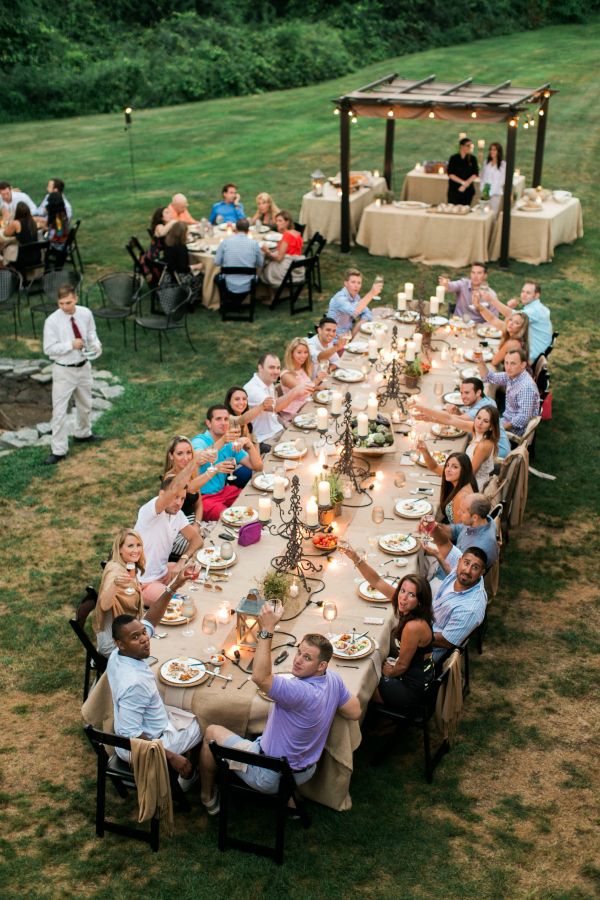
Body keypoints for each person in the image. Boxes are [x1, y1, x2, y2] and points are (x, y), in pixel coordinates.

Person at [199, 602, 361, 814]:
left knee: (212, 731)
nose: (298, 661)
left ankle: (206, 797)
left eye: (307, 658)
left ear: (322, 665)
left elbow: (259, 677)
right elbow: (355, 711)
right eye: (299, 652)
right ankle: (290, 799)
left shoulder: (297, 691)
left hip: (271, 774)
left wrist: (267, 629)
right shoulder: (332, 679)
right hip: (305, 771)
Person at [106, 567, 202, 786]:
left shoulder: (117, 654)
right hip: (147, 745)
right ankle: (187, 777)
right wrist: (171, 756)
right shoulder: (135, 684)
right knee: (202, 720)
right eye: (135, 637)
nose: (144, 639)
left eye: (142, 634)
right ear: (121, 643)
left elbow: (150, 620)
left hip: (151, 723)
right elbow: (129, 734)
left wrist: (174, 586)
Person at [337, 561, 435, 712]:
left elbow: (401, 666)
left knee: (363, 688)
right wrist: (355, 558)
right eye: (402, 591)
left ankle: (385, 724)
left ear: (420, 601)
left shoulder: (413, 626)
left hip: (414, 687)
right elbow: (376, 581)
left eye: (411, 595)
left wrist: (389, 672)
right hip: (418, 672)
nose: (403, 598)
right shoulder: (412, 609)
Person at [42, 285, 102, 465]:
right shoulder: (52, 321)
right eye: (61, 303)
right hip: (64, 370)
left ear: (75, 298)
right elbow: (49, 349)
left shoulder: (85, 313)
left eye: (68, 302)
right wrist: (70, 345)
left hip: (83, 366)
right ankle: (59, 450)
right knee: (60, 411)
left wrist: (96, 345)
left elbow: (91, 334)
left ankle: (83, 433)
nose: (65, 306)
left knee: (85, 404)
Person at [134, 454, 206, 604]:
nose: (179, 503)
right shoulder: (150, 510)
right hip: (144, 583)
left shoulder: (177, 514)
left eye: (182, 499)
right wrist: (193, 464)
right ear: (162, 495)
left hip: (164, 573)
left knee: (197, 580)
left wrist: (182, 561)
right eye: (175, 497)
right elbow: (173, 489)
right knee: (181, 603)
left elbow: (197, 540)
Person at [191, 404, 263, 520]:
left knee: (254, 501)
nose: (223, 423)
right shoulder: (199, 441)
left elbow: (258, 466)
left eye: (226, 419)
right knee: (233, 518)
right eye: (218, 419)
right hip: (204, 497)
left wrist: (248, 444)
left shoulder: (229, 444)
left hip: (223, 491)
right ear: (208, 423)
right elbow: (202, 457)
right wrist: (223, 440)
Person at [414, 403, 500, 490]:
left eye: (485, 421)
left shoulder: (483, 446)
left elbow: (469, 475)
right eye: (478, 418)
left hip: (473, 488)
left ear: (491, 427)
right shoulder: (478, 429)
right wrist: (430, 417)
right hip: (464, 476)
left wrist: (443, 472)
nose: (480, 423)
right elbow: (450, 419)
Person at [419, 494, 499, 584]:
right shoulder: (480, 522)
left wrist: (438, 555)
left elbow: (460, 579)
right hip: (444, 564)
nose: (458, 513)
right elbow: (454, 531)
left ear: (475, 517)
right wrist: (434, 525)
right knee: (417, 561)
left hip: (449, 580)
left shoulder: (481, 547)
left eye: (463, 511)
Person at [94, 528, 146, 657]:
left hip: (127, 633)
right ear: (119, 549)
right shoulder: (114, 571)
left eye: (138, 545)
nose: (136, 550)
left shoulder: (129, 565)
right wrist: (114, 584)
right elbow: (104, 605)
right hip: (114, 643)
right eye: (130, 546)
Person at [430, 547, 488, 657]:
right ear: (459, 561)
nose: (467, 570)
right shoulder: (458, 573)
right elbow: (445, 545)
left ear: (482, 572)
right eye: (466, 563)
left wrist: (413, 635)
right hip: (426, 619)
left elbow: (445, 642)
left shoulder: (470, 609)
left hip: (427, 651)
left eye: (475, 567)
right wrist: (437, 555)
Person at [243, 353, 308, 448]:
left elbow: (272, 414)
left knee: (308, 440)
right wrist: (295, 390)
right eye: (272, 367)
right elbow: (276, 406)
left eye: (278, 368)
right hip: (264, 440)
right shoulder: (252, 389)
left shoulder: (269, 383)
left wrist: (285, 423)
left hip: (278, 431)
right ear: (260, 368)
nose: (276, 371)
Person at [482, 281, 553, 364]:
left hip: (530, 357)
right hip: (536, 352)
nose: (524, 295)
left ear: (536, 295)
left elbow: (510, 315)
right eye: (523, 291)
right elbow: (508, 324)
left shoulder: (534, 311)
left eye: (528, 293)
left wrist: (491, 300)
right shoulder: (538, 307)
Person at [162, 435, 209, 558]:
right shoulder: (170, 479)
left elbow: (199, 504)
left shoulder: (192, 473)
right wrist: (212, 472)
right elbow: (190, 487)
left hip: (194, 525)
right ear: (171, 456)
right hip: (177, 532)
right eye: (180, 453)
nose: (186, 458)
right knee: (206, 550)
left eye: (189, 453)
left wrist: (197, 524)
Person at [476, 348, 540, 437]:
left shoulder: (526, 387)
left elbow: (523, 418)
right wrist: (480, 361)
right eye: (506, 363)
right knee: (476, 419)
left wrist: (498, 429)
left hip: (515, 432)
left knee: (477, 427)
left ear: (523, 365)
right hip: (506, 419)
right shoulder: (512, 376)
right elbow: (489, 378)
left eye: (513, 363)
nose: (508, 367)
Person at [444, 376, 510, 458]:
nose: (463, 396)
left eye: (467, 393)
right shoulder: (486, 400)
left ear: (478, 392)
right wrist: (457, 411)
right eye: (461, 393)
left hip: (497, 454)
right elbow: (466, 418)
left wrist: (433, 415)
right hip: (503, 447)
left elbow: (452, 420)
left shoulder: (482, 410)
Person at [416, 448, 477, 524]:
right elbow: (435, 467)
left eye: (455, 467)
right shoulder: (466, 481)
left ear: (464, 470)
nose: (448, 469)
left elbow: (457, 531)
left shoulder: (462, 496)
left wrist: (434, 527)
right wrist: (424, 451)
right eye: (447, 465)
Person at [471, 295, 530, 368]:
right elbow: (492, 319)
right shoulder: (515, 335)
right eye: (511, 320)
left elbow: (494, 362)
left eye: (516, 323)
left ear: (521, 328)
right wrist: (478, 306)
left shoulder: (513, 343)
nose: (511, 323)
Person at [279, 337, 324, 425]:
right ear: (291, 353)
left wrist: (319, 387)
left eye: (305, 352)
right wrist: (318, 380)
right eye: (299, 352)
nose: (303, 356)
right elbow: (303, 390)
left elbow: (309, 387)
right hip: (294, 413)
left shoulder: (301, 369)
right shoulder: (286, 375)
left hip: (306, 405)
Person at [327, 268, 383, 337]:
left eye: (359, 283)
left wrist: (360, 323)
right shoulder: (340, 298)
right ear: (346, 283)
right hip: (333, 339)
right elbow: (354, 311)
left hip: (348, 336)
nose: (356, 285)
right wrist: (371, 294)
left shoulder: (356, 297)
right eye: (353, 282)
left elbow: (367, 312)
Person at [214, 217, 264, 295]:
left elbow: (216, 262)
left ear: (235, 229)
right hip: (249, 283)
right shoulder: (254, 244)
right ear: (248, 231)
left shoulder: (225, 243)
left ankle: (223, 299)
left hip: (228, 282)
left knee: (216, 277)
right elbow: (260, 264)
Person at [163, 221, 204, 307]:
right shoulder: (181, 248)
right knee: (200, 276)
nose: (188, 234)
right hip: (178, 277)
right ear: (182, 234)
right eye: (187, 232)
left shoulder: (168, 242)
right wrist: (197, 266)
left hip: (167, 275)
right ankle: (192, 300)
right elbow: (183, 268)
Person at [260, 210, 304, 289]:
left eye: (280, 221)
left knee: (265, 264)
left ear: (287, 222)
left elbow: (279, 259)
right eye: (276, 221)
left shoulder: (287, 236)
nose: (277, 223)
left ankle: (271, 297)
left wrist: (267, 252)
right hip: (298, 265)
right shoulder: (296, 233)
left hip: (288, 268)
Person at [2, 201, 42, 277]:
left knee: (5, 247)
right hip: (36, 256)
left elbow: (6, 233)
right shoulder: (32, 221)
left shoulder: (16, 223)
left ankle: (6, 274)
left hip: (23, 258)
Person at [447, 137, 479, 206]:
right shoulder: (454, 158)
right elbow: (450, 173)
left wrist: (465, 184)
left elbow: (475, 174)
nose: (470, 147)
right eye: (468, 145)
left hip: (468, 190)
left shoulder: (473, 159)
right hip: (454, 189)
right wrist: (462, 182)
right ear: (462, 146)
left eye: (471, 146)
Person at [479, 142, 506, 212]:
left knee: (493, 214)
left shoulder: (503, 165)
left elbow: (502, 181)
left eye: (494, 150)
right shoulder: (486, 163)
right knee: (483, 212)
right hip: (485, 192)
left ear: (498, 151)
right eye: (491, 149)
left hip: (496, 193)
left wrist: (491, 192)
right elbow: (482, 177)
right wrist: (484, 190)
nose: (492, 151)